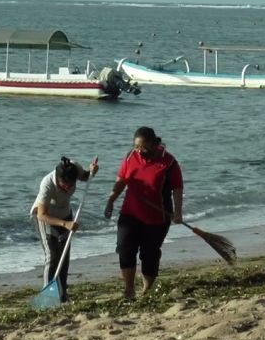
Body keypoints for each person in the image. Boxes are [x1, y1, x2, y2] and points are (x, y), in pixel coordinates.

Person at [104, 127, 184, 299]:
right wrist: (111, 199)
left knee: (149, 254)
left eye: (143, 147)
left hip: (158, 218)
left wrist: (178, 212)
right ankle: (129, 289)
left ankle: (147, 289)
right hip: (130, 213)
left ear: (155, 144)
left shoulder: (168, 163)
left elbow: (177, 188)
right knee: (125, 249)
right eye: (137, 147)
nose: (140, 151)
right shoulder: (130, 156)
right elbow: (122, 180)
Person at [31, 156, 99, 303]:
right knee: (52, 256)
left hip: (66, 215)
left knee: (64, 256)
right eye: (64, 186)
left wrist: (92, 171)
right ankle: (47, 296)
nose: (67, 188)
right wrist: (64, 224)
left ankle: (62, 295)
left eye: (70, 185)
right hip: (45, 218)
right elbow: (42, 214)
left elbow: (85, 177)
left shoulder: (74, 168)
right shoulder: (47, 184)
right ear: (58, 178)